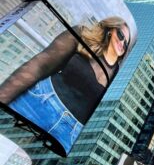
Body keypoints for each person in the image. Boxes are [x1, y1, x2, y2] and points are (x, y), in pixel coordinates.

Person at [0, 17, 132, 155]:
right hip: (40, 102)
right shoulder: (83, 35)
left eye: (126, 44)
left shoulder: (117, 73)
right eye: (121, 35)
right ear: (110, 30)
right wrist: (3, 95)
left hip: (68, 132)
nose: (122, 43)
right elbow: (40, 66)